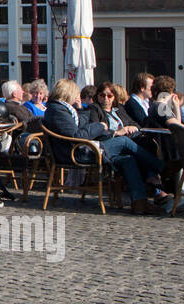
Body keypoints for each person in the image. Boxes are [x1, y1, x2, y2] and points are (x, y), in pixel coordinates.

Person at [45, 78, 166, 214]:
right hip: (76, 152)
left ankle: (139, 202)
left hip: (84, 147)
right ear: (67, 93)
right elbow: (75, 136)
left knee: (128, 159)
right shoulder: (58, 110)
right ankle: (162, 168)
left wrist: (84, 115)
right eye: (75, 93)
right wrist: (99, 126)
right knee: (124, 142)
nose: (77, 97)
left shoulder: (63, 108)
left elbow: (78, 127)